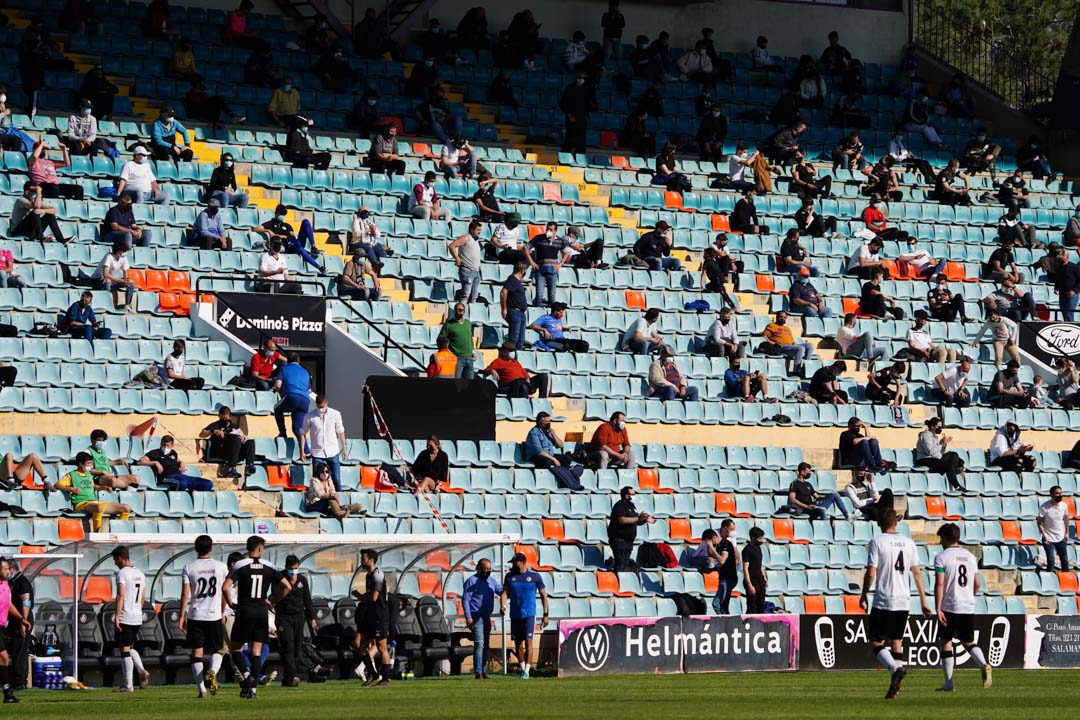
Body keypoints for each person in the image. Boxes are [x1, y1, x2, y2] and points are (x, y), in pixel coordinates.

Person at [859, 509, 931, 700]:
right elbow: (916, 573)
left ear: (880, 523)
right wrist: (924, 600)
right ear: (896, 523)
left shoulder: (877, 541)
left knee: (875, 641)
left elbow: (871, 572)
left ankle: (895, 667)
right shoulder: (909, 543)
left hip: (884, 599)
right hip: (903, 600)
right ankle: (895, 688)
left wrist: (864, 594)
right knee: (897, 641)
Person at [224, 536, 288, 699]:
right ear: (259, 549)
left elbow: (225, 587)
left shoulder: (240, 564)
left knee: (236, 648)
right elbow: (287, 586)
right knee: (256, 652)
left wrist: (231, 603)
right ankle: (252, 690)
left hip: (244, 609)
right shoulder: (269, 566)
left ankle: (246, 677)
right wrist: (273, 600)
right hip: (261, 611)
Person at [933, 523, 992, 692]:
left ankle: (949, 683)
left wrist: (938, 607)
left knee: (946, 641)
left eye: (941, 539)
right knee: (968, 641)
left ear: (945, 538)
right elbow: (977, 584)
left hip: (949, 605)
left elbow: (939, 583)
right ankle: (983, 664)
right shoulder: (970, 557)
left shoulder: (942, 557)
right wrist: (969, 596)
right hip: (967, 605)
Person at [179, 535, 228, 699]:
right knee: (217, 650)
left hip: (195, 614)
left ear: (195, 548)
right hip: (213, 614)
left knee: (197, 653)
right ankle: (212, 671)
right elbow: (224, 591)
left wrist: (181, 617)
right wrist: (222, 611)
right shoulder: (221, 567)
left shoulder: (188, 567)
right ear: (211, 548)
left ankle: (202, 690)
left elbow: (185, 594)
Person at [500, 552, 548, 680]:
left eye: (515, 562)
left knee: (529, 642)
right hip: (515, 614)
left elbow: (544, 595)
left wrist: (546, 614)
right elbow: (504, 593)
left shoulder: (534, 576)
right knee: (517, 644)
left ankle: (527, 670)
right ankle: (523, 670)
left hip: (529, 614)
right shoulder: (509, 577)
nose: (514, 565)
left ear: (522, 562)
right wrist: (502, 605)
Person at [274, 555, 316, 688]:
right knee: (288, 646)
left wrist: (312, 617)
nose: (294, 572)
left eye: (296, 569)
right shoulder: (279, 578)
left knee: (297, 648)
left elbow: (307, 599)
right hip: (284, 617)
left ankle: (289, 677)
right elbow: (275, 596)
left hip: (299, 617)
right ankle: (292, 676)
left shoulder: (302, 580)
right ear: (286, 567)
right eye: (292, 569)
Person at [112, 546, 150, 693]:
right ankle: (141, 671)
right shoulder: (140, 573)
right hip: (137, 616)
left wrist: (117, 616)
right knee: (130, 647)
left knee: (124, 650)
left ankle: (128, 685)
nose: (115, 563)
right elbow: (142, 598)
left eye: (115, 560)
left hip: (126, 615)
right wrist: (137, 610)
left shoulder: (122, 573)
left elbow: (120, 595)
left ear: (120, 558)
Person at [463, 559, 503, 679]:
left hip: (486, 616)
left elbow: (500, 591)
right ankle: (478, 671)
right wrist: (468, 617)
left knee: (486, 644)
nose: (487, 571)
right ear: (479, 568)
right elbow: (466, 600)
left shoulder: (491, 581)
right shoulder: (471, 581)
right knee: (479, 644)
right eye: (485, 569)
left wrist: (510, 587)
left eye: (489, 569)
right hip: (476, 617)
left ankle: (484, 670)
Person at [138, 435, 213, 491]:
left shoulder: (173, 453)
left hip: (181, 476)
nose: (165, 447)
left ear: (172, 445)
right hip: (167, 478)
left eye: (167, 445)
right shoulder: (155, 453)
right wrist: (155, 462)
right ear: (160, 444)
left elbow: (178, 460)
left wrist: (182, 463)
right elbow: (140, 461)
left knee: (208, 484)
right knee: (182, 483)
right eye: (163, 445)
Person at [200, 406, 256, 480]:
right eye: (222, 418)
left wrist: (243, 438)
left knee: (250, 442)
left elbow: (243, 436)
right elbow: (201, 434)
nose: (224, 420)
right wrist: (213, 431)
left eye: (226, 418)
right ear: (219, 416)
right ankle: (231, 468)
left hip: (235, 452)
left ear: (230, 416)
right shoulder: (215, 425)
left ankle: (249, 466)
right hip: (221, 451)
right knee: (235, 439)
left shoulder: (234, 427)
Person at [785, 462, 853, 521]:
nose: (809, 473)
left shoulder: (808, 484)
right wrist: (806, 506)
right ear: (802, 472)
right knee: (822, 509)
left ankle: (847, 515)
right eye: (808, 472)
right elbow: (792, 499)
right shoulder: (794, 484)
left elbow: (817, 497)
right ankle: (824, 530)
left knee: (834, 493)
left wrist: (828, 497)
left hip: (813, 506)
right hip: (805, 508)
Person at [481, 342, 550, 398]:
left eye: (513, 351)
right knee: (523, 386)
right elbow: (485, 370)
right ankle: (524, 407)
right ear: (504, 352)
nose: (512, 353)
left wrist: (527, 377)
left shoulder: (515, 362)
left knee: (543, 376)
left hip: (523, 383)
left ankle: (542, 401)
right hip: (511, 386)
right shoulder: (498, 361)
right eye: (510, 351)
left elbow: (524, 372)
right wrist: (492, 370)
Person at [4, 560, 32, 695]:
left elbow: (25, 602)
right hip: (15, 620)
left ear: (12, 569)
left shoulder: (22, 583)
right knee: (16, 649)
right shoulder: (12, 582)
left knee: (19, 650)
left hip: (22, 619)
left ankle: (20, 682)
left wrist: (23, 621)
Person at [915, 417, 966, 491]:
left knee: (954, 455)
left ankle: (951, 471)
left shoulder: (935, 436)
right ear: (932, 426)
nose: (940, 428)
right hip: (925, 459)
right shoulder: (926, 435)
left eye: (941, 427)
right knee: (948, 465)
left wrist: (944, 445)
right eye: (938, 427)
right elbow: (930, 452)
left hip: (934, 458)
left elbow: (938, 453)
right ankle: (957, 486)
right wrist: (941, 444)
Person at [275, 354, 311, 447]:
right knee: (297, 428)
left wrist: (282, 395)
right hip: (305, 401)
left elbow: (278, 385)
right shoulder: (305, 371)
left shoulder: (284, 368)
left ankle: (282, 433)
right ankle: (306, 451)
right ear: (298, 361)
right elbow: (309, 390)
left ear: (288, 360)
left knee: (277, 408)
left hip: (291, 396)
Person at [763, 311, 813, 376]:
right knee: (801, 348)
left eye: (784, 317)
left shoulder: (787, 328)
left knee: (810, 345)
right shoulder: (771, 326)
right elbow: (764, 336)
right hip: (781, 346)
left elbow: (791, 340)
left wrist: (793, 343)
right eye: (781, 317)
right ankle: (796, 371)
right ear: (777, 317)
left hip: (790, 346)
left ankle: (806, 368)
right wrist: (772, 343)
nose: (783, 319)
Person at [526, 224, 565, 306]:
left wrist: (560, 264)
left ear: (555, 231)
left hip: (553, 271)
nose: (548, 231)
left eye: (551, 229)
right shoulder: (539, 238)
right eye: (547, 229)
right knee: (539, 295)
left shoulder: (559, 241)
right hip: (540, 271)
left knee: (552, 296)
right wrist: (531, 262)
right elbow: (525, 248)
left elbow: (566, 252)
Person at [438, 303, 477, 379]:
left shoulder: (468, 323)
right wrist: (449, 354)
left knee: (469, 385)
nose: (458, 312)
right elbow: (441, 340)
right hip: (457, 359)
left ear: (464, 312)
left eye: (460, 310)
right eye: (456, 309)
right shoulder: (448, 324)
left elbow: (470, 338)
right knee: (455, 384)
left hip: (469, 358)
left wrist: (473, 352)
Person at [1037, 486, 1071, 573]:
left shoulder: (1064, 506)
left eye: (1061, 493)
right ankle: (1049, 580)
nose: (1059, 495)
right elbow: (1040, 523)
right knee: (1051, 560)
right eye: (1057, 493)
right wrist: (1045, 536)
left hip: (1061, 536)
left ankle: (1066, 579)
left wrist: (1067, 533)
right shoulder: (1045, 507)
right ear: (1051, 494)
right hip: (1048, 537)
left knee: (1064, 560)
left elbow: (1066, 519)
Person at [559, 72, 592, 154]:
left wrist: (587, 115)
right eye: (579, 77)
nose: (581, 79)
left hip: (582, 117)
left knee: (581, 138)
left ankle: (580, 156)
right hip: (571, 117)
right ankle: (565, 155)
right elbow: (563, 103)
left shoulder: (587, 89)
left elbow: (588, 104)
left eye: (583, 78)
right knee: (570, 137)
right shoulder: (569, 88)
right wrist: (569, 115)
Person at [501, 263, 529, 351]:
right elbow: (503, 293)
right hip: (514, 312)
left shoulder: (517, 281)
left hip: (521, 313)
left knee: (521, 340)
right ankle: (508, 358)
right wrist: (504, 309)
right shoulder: (512, 279)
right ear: (522, 270)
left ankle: (517, 361)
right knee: (513, 339)